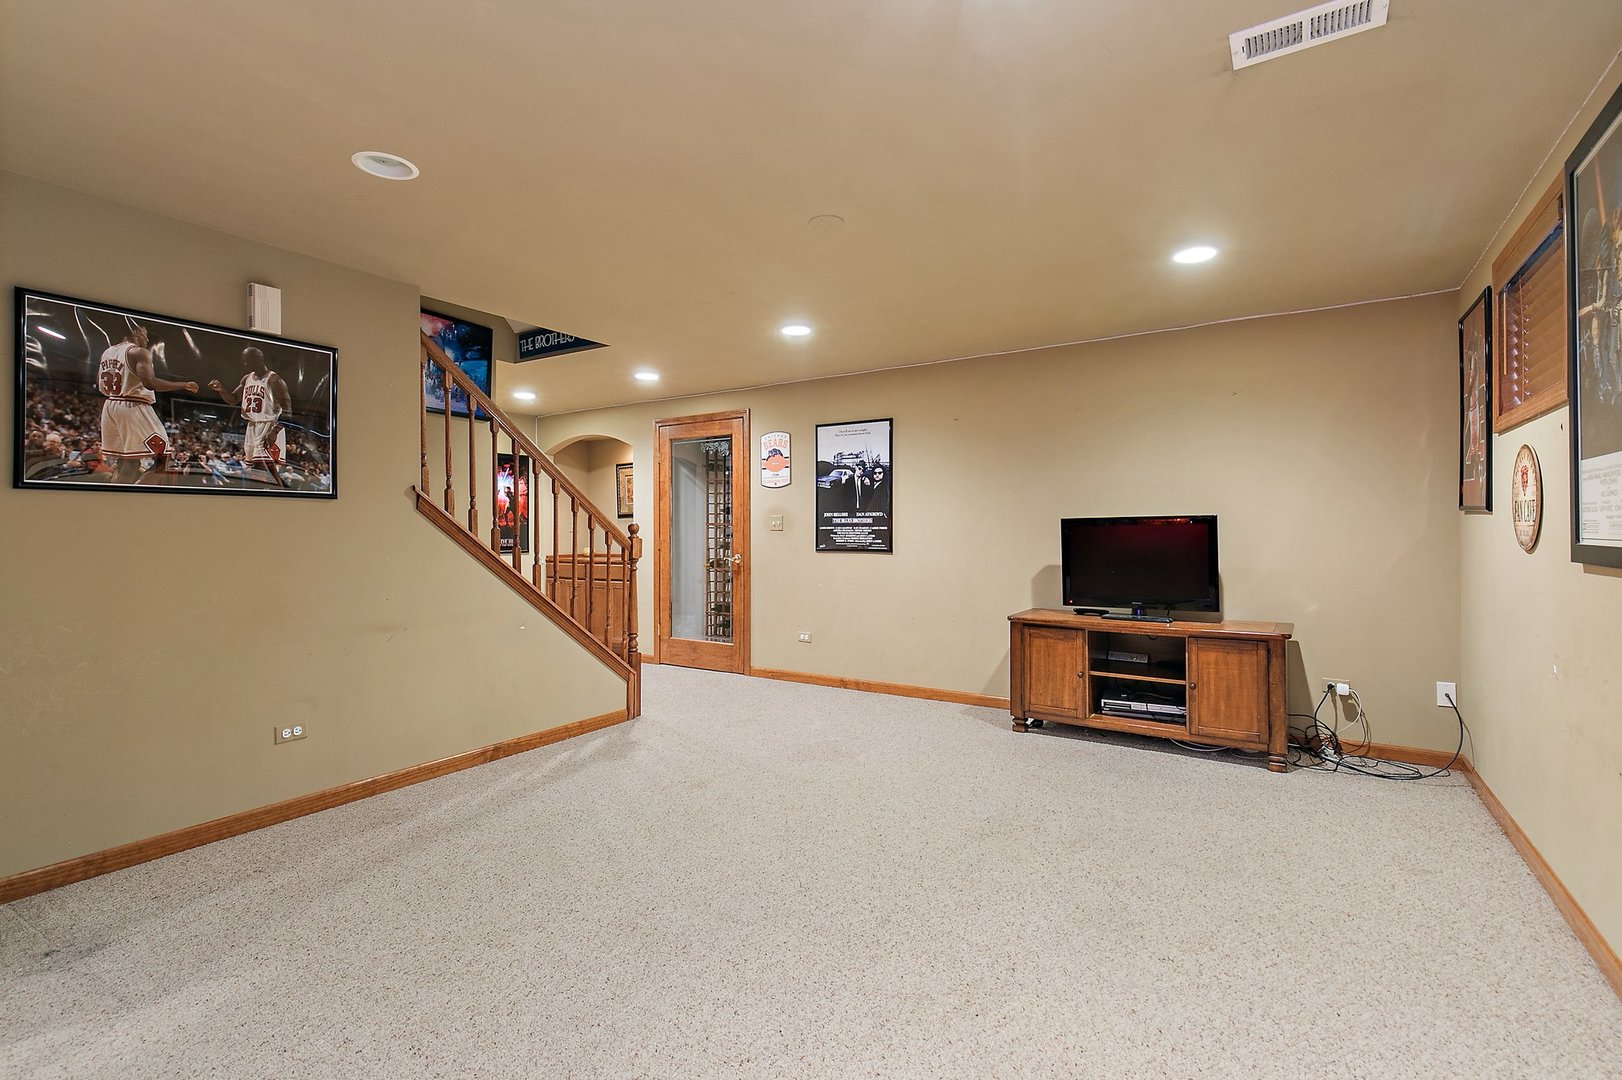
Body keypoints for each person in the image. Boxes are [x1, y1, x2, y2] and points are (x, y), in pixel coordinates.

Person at [96, 324, 199, 484]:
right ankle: (135, 497)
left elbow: (99, 383)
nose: (147, 339)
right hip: (133, 406)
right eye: (145, 334)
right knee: (164, 459)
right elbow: (150, 383)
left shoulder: (107, 352)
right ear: (136, 332)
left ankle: (117, 500)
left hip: (111, 405)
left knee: (129, 462)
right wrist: (183, 385)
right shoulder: (139, 352)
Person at [210, 347, 292, 487]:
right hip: (252, 426)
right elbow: (233, 399)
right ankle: (275, 496)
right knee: (260, 469)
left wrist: (275, 431)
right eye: (245, 361)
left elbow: (288, 411)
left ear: (260, 359)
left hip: (269, 425)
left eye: (249, 361)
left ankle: (279, 497)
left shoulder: (275, 380)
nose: (246, 364)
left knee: (262, 466)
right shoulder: (247, 378)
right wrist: (221, 390)